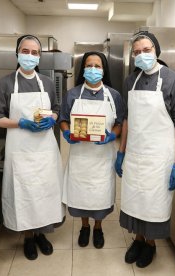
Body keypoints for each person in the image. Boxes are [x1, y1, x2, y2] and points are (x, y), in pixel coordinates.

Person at [115, 31, 175, 268]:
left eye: (146, 50)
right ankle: (137, 240)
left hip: (159, 157)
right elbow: (127, 119)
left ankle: (150, 245)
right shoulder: (130, 81)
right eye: (136, 52)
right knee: (135, 199)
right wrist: (121, 151)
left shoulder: (173, 80)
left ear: (156, 50)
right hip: (135, 154)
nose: (141, 55)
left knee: (152, 201)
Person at [0, 34, 65, 261]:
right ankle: (29, 237)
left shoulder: (47, 83)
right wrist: (20, 122)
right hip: (20, 151)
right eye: (26, 51)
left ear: (39, 56)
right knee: (24, 194)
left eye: (34, 53)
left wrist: (53, 116)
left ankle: (42, 233)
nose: (30, 56)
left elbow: (57, 107)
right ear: (17, 53)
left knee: (44, 192)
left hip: (45, 150)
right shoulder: (4, 83)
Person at [59, 51, 125, 249]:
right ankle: (84, 226)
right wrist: (67, 132)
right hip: (80, 156)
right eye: (89, 66)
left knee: (100, 194)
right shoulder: (72, 94)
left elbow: (120, 123)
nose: (93, 70)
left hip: (103, 157)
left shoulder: (114, 96)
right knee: (81, 194)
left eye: (98, 66)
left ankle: (98, 227)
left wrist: (113, 135)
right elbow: (63, 120)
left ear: (104, 70)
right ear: (83, 69)